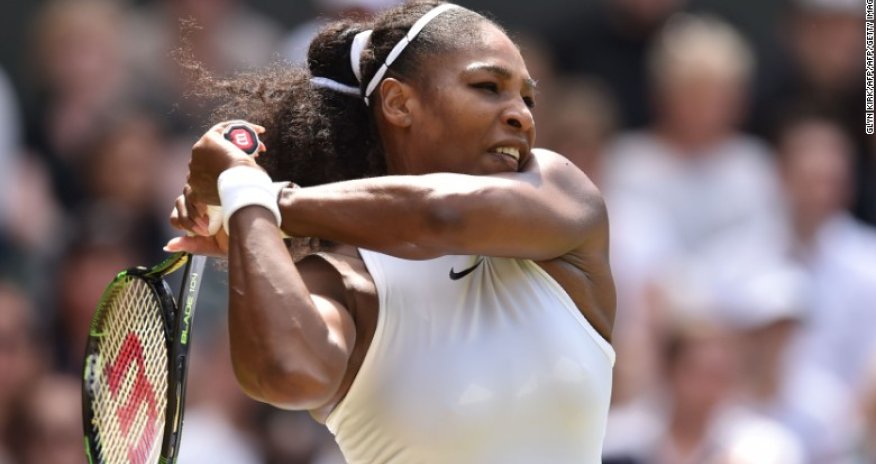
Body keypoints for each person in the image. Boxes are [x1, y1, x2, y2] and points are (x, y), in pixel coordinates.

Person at [167, 1, 616, 462]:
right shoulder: (340, 283)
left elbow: (442, 216)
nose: (521, 115)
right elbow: (285, 374)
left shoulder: (559, 191)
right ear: (399, 103)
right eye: (488, 87)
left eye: (527, 98)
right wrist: (248, 208)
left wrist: (255, 196)